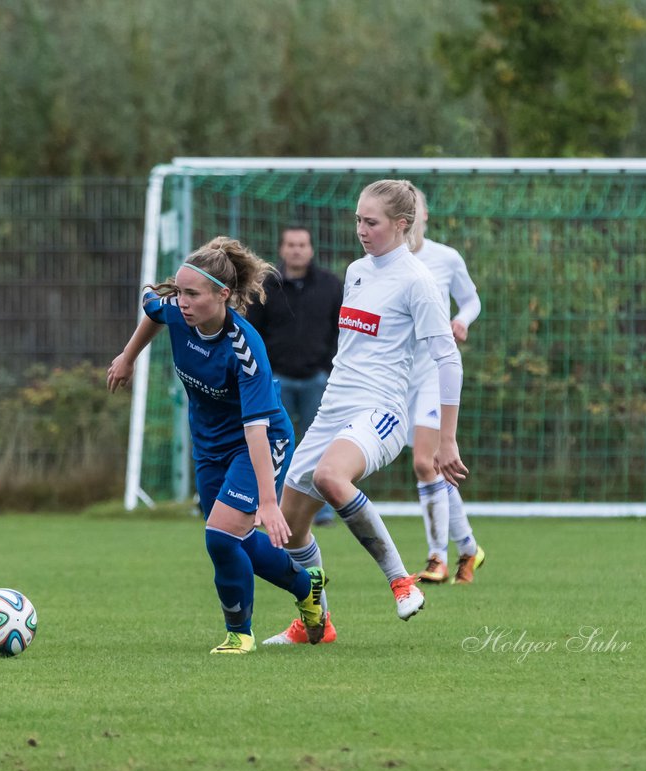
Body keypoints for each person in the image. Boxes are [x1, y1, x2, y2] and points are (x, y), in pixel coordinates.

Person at [264, 179, 467, 646]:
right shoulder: (356, 271)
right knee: (292, 530)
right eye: (357, 219)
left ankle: (401, 581)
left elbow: (447, 359)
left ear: (400, 225)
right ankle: (316, 624)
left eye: (371, 222)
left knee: (333, 477)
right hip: (333, 410)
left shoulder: (417, 281)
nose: (361, 229)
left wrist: (447, 439)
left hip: (382, 412)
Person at [108, 236, 328, 654]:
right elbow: (153, 306)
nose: (183, 302)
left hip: (260, 442)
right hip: (208, 446)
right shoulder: (176, 313)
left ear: (223, 295)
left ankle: (239, 634)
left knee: (221, 538)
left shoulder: (245, 348)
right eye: (181, 292)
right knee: (237, 540)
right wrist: (128, 356)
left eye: (192, 294)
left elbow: (255, 429)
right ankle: (307, 586)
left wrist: (268, 501)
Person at [406, 189, 487, 585]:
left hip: (433, 373)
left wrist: (462, 321)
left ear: (424, 215)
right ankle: (469, 549)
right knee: (433, 465)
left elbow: (471, 301)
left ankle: (437, 557)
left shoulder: (445, 257)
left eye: (413, 209)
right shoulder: (382, 262)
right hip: (397, 376)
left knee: (425, 461)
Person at [248, 225, 344, 527]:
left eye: (302, 244)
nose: (296, 250)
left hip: (318, 379)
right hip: (276, 380)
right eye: (290, 244)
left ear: (311, 249)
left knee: (321, 444)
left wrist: (328, 368)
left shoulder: (330, 285)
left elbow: (342, 330)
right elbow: (253, 332)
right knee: (274, 443)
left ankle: (322, 509)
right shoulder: (264, 286)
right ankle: (271, 506)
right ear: (281, 249)